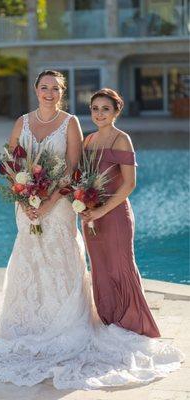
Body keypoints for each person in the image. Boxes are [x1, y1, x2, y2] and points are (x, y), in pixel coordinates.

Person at [0, 73, 183, 390]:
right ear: (35, 90)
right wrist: (23, 196)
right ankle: (27, 323)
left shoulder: (72, 124)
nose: (49, 93)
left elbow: (72, 170)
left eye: (55, 88)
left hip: (58, 207)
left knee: (61, 259)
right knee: (29, 260)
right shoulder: (22, 123)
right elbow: (11, 163)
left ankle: (70, 322)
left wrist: (49, 201)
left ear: (62, 93)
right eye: (44, 87)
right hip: (26, 208)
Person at [81, 88, 160, 338]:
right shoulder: (89, 140)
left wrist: (101, 210)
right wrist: (84, 206)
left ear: (117, 111)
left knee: (121, 266)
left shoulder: (122, 139)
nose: (99, 114)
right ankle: (109, 318)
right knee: (100, 267)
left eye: (105, 109)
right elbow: (82, 179)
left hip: (114, 215)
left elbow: (129, 184)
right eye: (95, 108)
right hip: (90, 215)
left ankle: (133, 322)